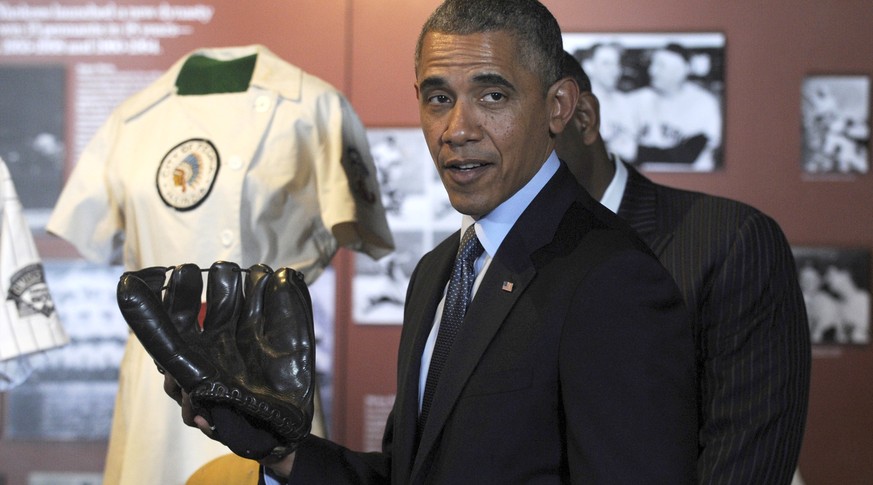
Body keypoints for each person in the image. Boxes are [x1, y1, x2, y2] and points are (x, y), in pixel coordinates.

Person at [159, 0, 700, 483]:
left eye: (492, 95)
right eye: (439, 97)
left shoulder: (611, 278)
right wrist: (279, 450)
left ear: (558, 106)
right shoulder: (439, 270)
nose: (457, 128)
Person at [556, 51, 811, 484]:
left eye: (510, 117)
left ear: (582, 118)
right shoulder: (470, 263)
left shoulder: (729, 242)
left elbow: (745, 462)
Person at [633, 43, 722, 171]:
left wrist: (634, 151)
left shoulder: (703, 103)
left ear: (682, 70)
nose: (652, 71)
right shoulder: (638, 98)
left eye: (661, 65)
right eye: (652, 64)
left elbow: (686, 155)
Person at [577, 43, 639, 162]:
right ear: (588, 67)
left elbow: (632, 149)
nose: (614, 70)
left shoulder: (627, 102)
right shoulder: (576, 104)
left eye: (617, 64)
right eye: (606, 64)